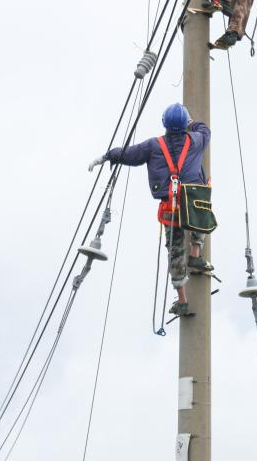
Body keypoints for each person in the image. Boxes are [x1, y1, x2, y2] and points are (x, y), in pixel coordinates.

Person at [88, 103, 212, 317]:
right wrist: (193, 123)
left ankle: (182, 300)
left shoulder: (154, 146)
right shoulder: (196, 140)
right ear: (186, 124)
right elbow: (205, 130)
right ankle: (196, 254)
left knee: (174, 251)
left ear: (164, 123)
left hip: (170, 206)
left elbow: (128, 154)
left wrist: (107, 156)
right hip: (192, 203)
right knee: (201, 206)